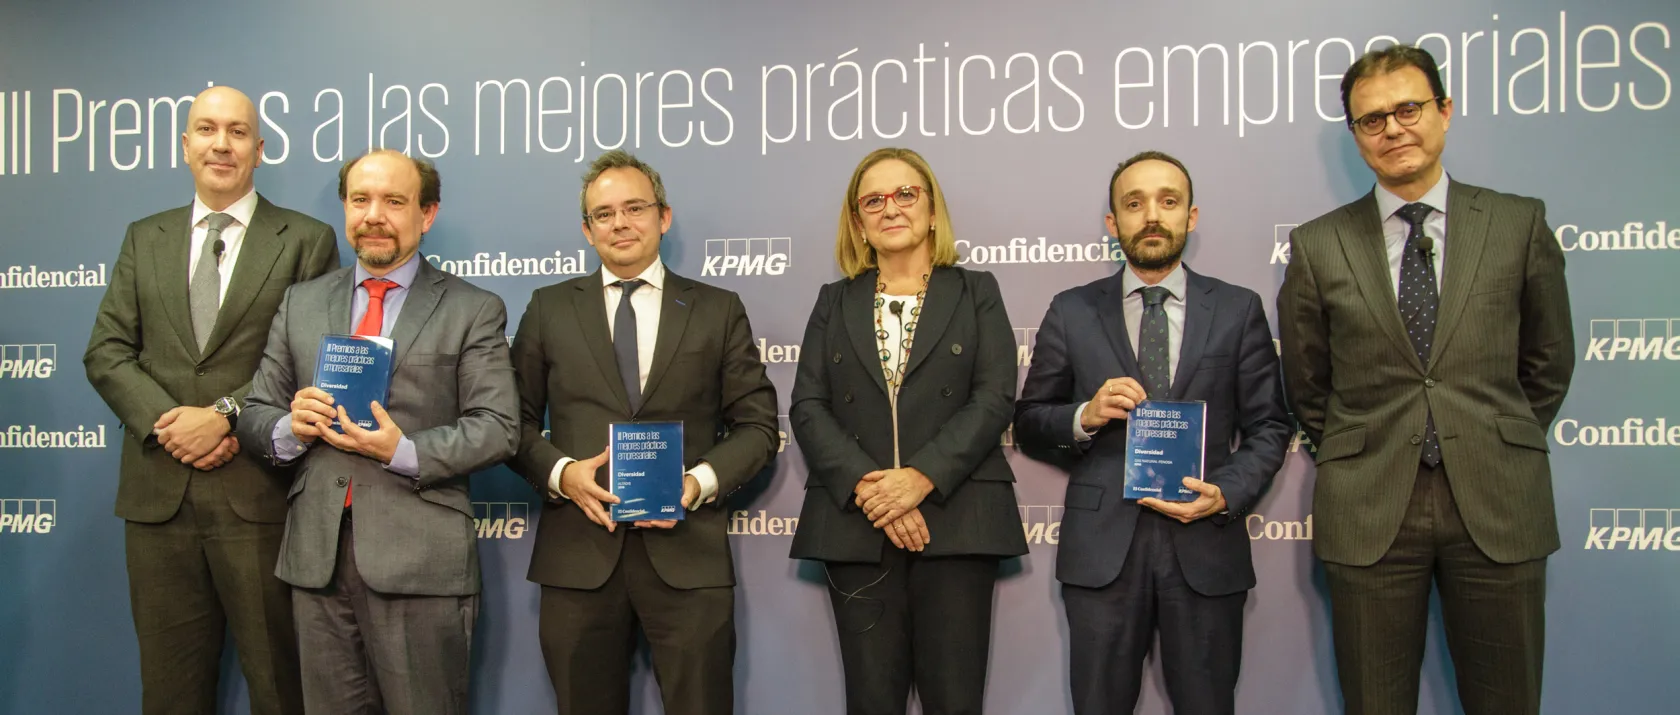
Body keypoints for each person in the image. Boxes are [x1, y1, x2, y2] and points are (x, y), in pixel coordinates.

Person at [1277, 45, 1575, 715]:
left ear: (1444, 111)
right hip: (1370, 505)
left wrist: (1492, 436)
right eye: (1371, 119)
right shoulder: (1317, 245)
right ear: (1356, 136)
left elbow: (1549, 360)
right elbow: (1308, 383)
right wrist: (1362, 448)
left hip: (1499, 498)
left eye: (1408, 108)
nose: (1393, 129)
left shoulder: (1516, 222)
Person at [82, 85, 336, 715]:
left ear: (260, 149)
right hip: (157, 502)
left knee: (281, 688)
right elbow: (106, 351)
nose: (222, 143)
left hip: (258, 495)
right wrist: (169, 425)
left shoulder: (306, 239)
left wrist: (223, 417)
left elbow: (312, 360)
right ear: (185, 145)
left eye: (238, 132)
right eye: (207, 129)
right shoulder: (145, 237)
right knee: (169, 694)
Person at [238, 149, 518, 715]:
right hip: (317, 559)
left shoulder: (472, 308)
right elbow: (254, 411)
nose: (375, 214)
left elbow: (498, 428)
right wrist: (292, 427)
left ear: (427, 214)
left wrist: (405, 450)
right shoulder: (301, 302)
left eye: (395, 201)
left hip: (421, 559)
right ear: (345, 208)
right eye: (361, 199)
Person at [1014, 150, 1290, 715]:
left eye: (1168, 201)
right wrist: (1083, 415)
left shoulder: (1239, 309)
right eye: (1134, 204)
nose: (1152, 216)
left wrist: (1228, 491)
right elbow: (1029, 420)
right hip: (1102, 553)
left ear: (1191, 216)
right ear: (1113, 224)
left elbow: (1270, 424)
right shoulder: (1071, 311)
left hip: (1206, 546)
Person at [509, 149, 779, 715]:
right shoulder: (548, 308)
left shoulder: (717, 309)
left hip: (688, 555)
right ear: (587, 229)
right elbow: (511, 422)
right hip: (579, 556)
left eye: (635, 207)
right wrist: (562, 475)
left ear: (664, 216)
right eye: (603, 213)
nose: (620, 223)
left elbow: (756, 427)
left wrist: (696, 484)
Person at [788, 147, 1028, 715]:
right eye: (873, 200)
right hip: (856, 524)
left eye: (905, 194)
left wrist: (920, 478)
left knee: (955, 700)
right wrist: (874, 491)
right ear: (858, 223)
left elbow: (994, 397)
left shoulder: (976, 291)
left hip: (958, 518)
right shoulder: (834, 300)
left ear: (931, 209)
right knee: (871, 700)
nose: (890, 208)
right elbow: (807, 406)